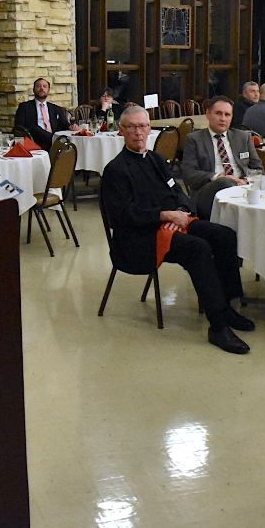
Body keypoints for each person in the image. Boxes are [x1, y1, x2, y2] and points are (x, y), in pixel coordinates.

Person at [101, 106, 255, 355]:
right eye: (132, 127)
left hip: (171, 223)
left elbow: (178, 192)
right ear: (121, 131)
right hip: (139, 237)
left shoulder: (157, 160)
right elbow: (122, 217)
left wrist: (180, 211)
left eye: (143, 126)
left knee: (224, 235)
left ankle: (227, 306)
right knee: (198, 248)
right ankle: (217, 326)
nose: (138, 133)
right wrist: (163, 216)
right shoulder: (115, 170)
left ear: (150, 129)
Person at [180, 97, 264, 219]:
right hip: (208, 193)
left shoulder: (243, 137)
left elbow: (259, 169)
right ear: (208, 114)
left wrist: (245, 181)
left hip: (243, 190)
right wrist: (218, 177)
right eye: (218, 113)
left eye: (227, 114)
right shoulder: (194, 139)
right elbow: (189, 174)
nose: (223, 119)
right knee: (224, 182)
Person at [13, 77, 75, 148]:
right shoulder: (24, 107)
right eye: (38, 86)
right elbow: (19, 127)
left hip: (54, 144)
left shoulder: (56, 108)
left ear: (48, 90)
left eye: (44, 86)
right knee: (35, 128)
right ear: (33, 90)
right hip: (35, 142)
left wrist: (71, 126)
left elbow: (64, 124)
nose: (42, 88)